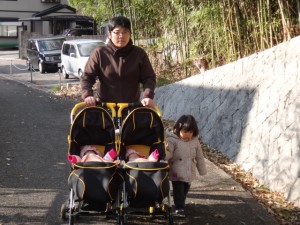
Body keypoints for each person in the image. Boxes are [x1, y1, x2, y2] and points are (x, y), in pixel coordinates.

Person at [80, 15, 156, 107]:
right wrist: (88, 95)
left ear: (130, 34)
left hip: (132, 107)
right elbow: (87, 76)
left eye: (125, 32)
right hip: (105, 106)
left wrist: (147, 96)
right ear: (109, 34)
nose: (121, 36)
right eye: (117, 32)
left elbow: (149, 77)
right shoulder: (100, 53)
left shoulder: (139, 53)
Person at [165, 115, 207, 217]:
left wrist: (202, 170)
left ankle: (181, 204)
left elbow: (199, 157)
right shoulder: (172, 140)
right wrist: (165, 151)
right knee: (178, 190)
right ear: (178, 129)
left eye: (190, 132)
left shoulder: (195, 141)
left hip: (189, 171)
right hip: (177, 171)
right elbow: (168, 154)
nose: (188, 135)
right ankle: (179, 207)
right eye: (185, 132)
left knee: (185, 189)